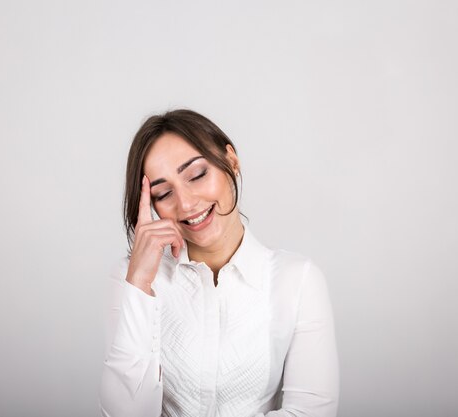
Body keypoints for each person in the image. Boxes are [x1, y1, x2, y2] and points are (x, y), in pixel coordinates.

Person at [99, 109, 339, 417]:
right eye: (163, 193)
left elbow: (310, 413)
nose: (185, 203)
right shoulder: (131, 279)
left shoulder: (298, 280)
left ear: (231, 161)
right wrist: (140, 285)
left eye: (197, 175)